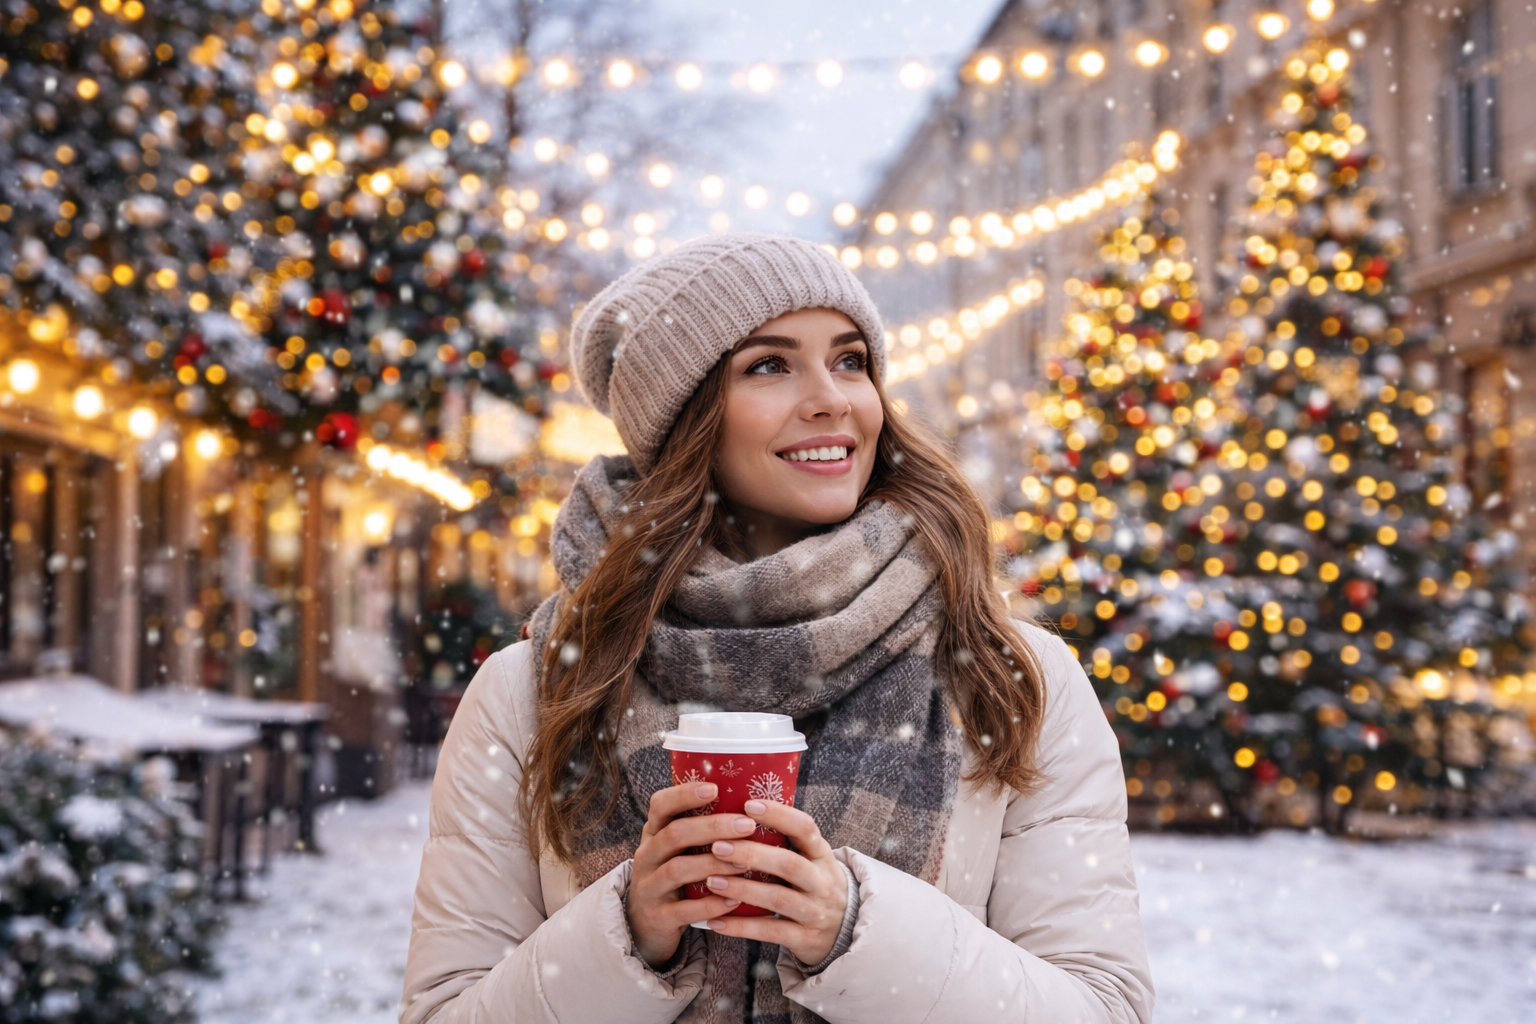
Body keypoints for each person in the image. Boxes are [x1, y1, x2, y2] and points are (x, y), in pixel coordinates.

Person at [400, 234, 1152, 1024]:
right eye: (769, 364)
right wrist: (625, 930)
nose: (833, 397)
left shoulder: (1011, 677)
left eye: (851, 360)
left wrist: (858, 932)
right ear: (686, 423)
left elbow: (1103, 1010)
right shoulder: (533, 691)